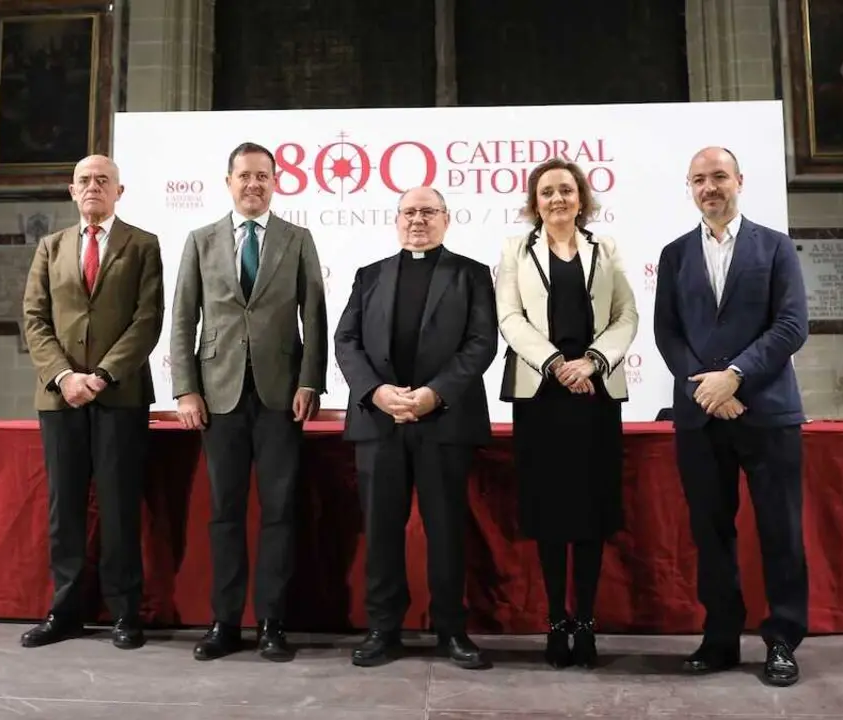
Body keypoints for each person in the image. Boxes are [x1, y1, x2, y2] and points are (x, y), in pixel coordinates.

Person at [653, 146, 809, 687]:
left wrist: (735, 377)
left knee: (780, 531)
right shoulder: (674, 255)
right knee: (710, 532)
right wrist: (708, 389)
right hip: (701, 417)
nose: (709, 187)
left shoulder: (776, 247)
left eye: (718, 176)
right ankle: (720, 637)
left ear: (739, 180)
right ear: (690, 188)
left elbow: (791, 326)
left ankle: (783, 639)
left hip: (767, 414)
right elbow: (667, 334)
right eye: (699, 179)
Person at [169, 141, 328, 663]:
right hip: (218, 396)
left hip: (282, 396)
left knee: (281, 511)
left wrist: (311, 382)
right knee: (225, 514)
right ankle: (224, 622)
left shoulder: (298, 239)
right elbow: (182, 319)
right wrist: (185, 388)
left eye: (263, 175)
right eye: (244, 176)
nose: (253, 184)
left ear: (276, 181)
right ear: (228, 181)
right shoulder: (200, 240)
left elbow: (316, 319)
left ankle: (272, 623)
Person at [333, 186, 498, 670]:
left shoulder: (472, 274)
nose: (418, 220)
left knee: (447, 530)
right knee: (381, 531)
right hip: (379, 421)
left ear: (447, 219)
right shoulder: (370, 276)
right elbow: (346, 340)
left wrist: (433, 394)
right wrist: (377, 393)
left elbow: (481, 342)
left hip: (443, 420)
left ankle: (451, 630)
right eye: (409, 212)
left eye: (428, 212)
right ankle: (383, 629)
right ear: (396, 220)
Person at [495, 158, 639, 668]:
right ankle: (557, 620)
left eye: (566, 190)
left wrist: (593, 363)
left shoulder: (606, 248)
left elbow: (627, 315)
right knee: (552, 514)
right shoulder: (516, 249)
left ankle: (588, 622)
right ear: (535, 202)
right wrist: (556, 363)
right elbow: (509, 317)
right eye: (547, 192)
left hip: (595, 396)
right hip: (542, 397)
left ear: (582, 198)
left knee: (592, 515)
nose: (557, 199)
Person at [19, 154, 165, 651]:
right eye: (85, 180)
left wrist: (100, 376)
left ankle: (126, 613)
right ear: (71, 190)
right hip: (60, 398)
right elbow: (34, 319)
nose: (93, 187)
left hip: (120, 395)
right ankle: (66, 611)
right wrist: (65, 376)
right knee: (66, 511)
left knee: (121, 507)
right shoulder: (50, 246)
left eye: (103, 180)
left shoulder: (143, 245)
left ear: (119, 191)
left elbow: (147, 320)